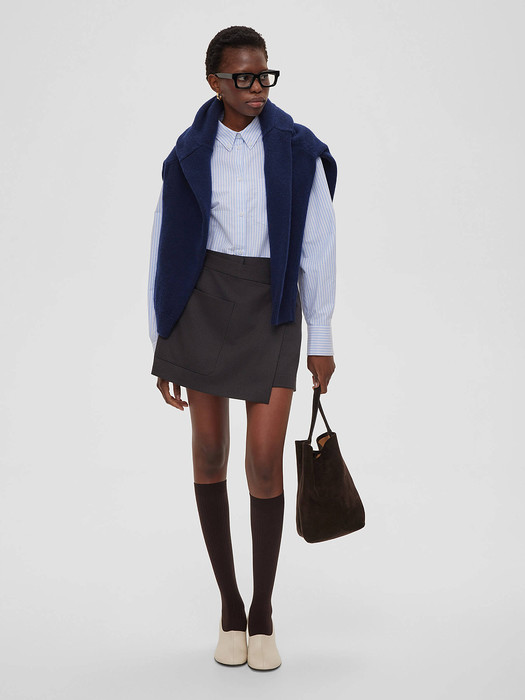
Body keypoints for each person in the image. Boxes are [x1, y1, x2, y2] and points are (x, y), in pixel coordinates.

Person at [147, 25, 337, 671]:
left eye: (264, 76)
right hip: (201, 302)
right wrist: (161, 334)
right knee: (209, 451)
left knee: (263, 459)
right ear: (215, 82)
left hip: (272, 305)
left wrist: (321, 336)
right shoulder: (187, 153)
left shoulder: (296, 149)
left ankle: (263, 612)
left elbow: (319, 245)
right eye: (244, 78)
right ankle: (230, 607)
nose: (258, 88)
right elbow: (163, 243)